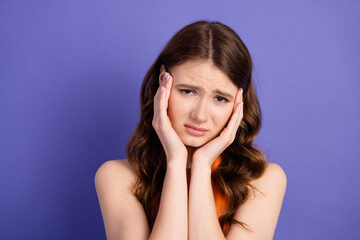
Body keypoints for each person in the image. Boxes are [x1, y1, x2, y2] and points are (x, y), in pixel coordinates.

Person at [94, 20, 287, 240]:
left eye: (220, 98)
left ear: (239, 103)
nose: (200, 115)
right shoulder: (118, 177)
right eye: (188, 92)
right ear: (162, 84)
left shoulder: (264, 181)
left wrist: (202, 165)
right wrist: (176, 161)